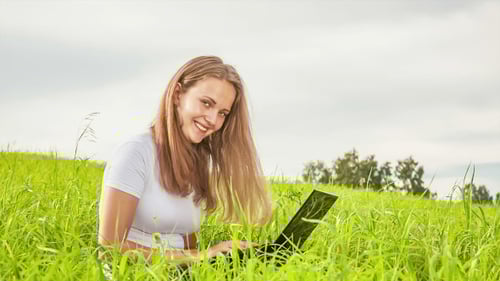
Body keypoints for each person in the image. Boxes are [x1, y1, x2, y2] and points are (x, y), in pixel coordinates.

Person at [98, 56, 272, 264]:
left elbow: (188, 253)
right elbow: (109, 248)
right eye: (206, 103)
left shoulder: (197, 162)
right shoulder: (136, 151)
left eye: (222, 113)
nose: (213, 120)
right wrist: (203, 256)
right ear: (178, 95)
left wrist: (224, 259)